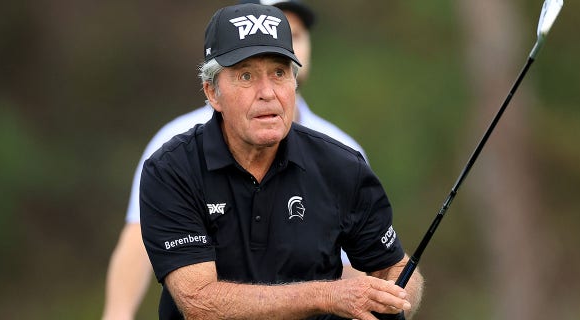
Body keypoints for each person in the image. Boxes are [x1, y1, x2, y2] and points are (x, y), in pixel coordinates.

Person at [140, 3, 424, 320]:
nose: (267, 93)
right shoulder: (171, 170)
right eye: (246, 76)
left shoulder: (341, 166)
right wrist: (329, 295)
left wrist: (393, 303)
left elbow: (395, 266)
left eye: (279, 73)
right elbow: (200, 302)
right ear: (212, 93)